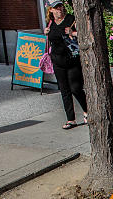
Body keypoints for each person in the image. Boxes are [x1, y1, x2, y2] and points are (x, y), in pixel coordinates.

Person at [44, 0, 87, 130]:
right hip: (57, 61)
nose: (60, 9)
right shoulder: (50, 23)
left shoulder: (71, 19)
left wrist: (72, 33)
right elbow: (52, 38)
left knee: (76, 88)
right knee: (64, 90)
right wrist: (46, 32)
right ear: (51, 10)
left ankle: (87, 112)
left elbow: (84, 34)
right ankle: (71, 119)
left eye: (61, 6)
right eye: (57, 7)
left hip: (72, 59)